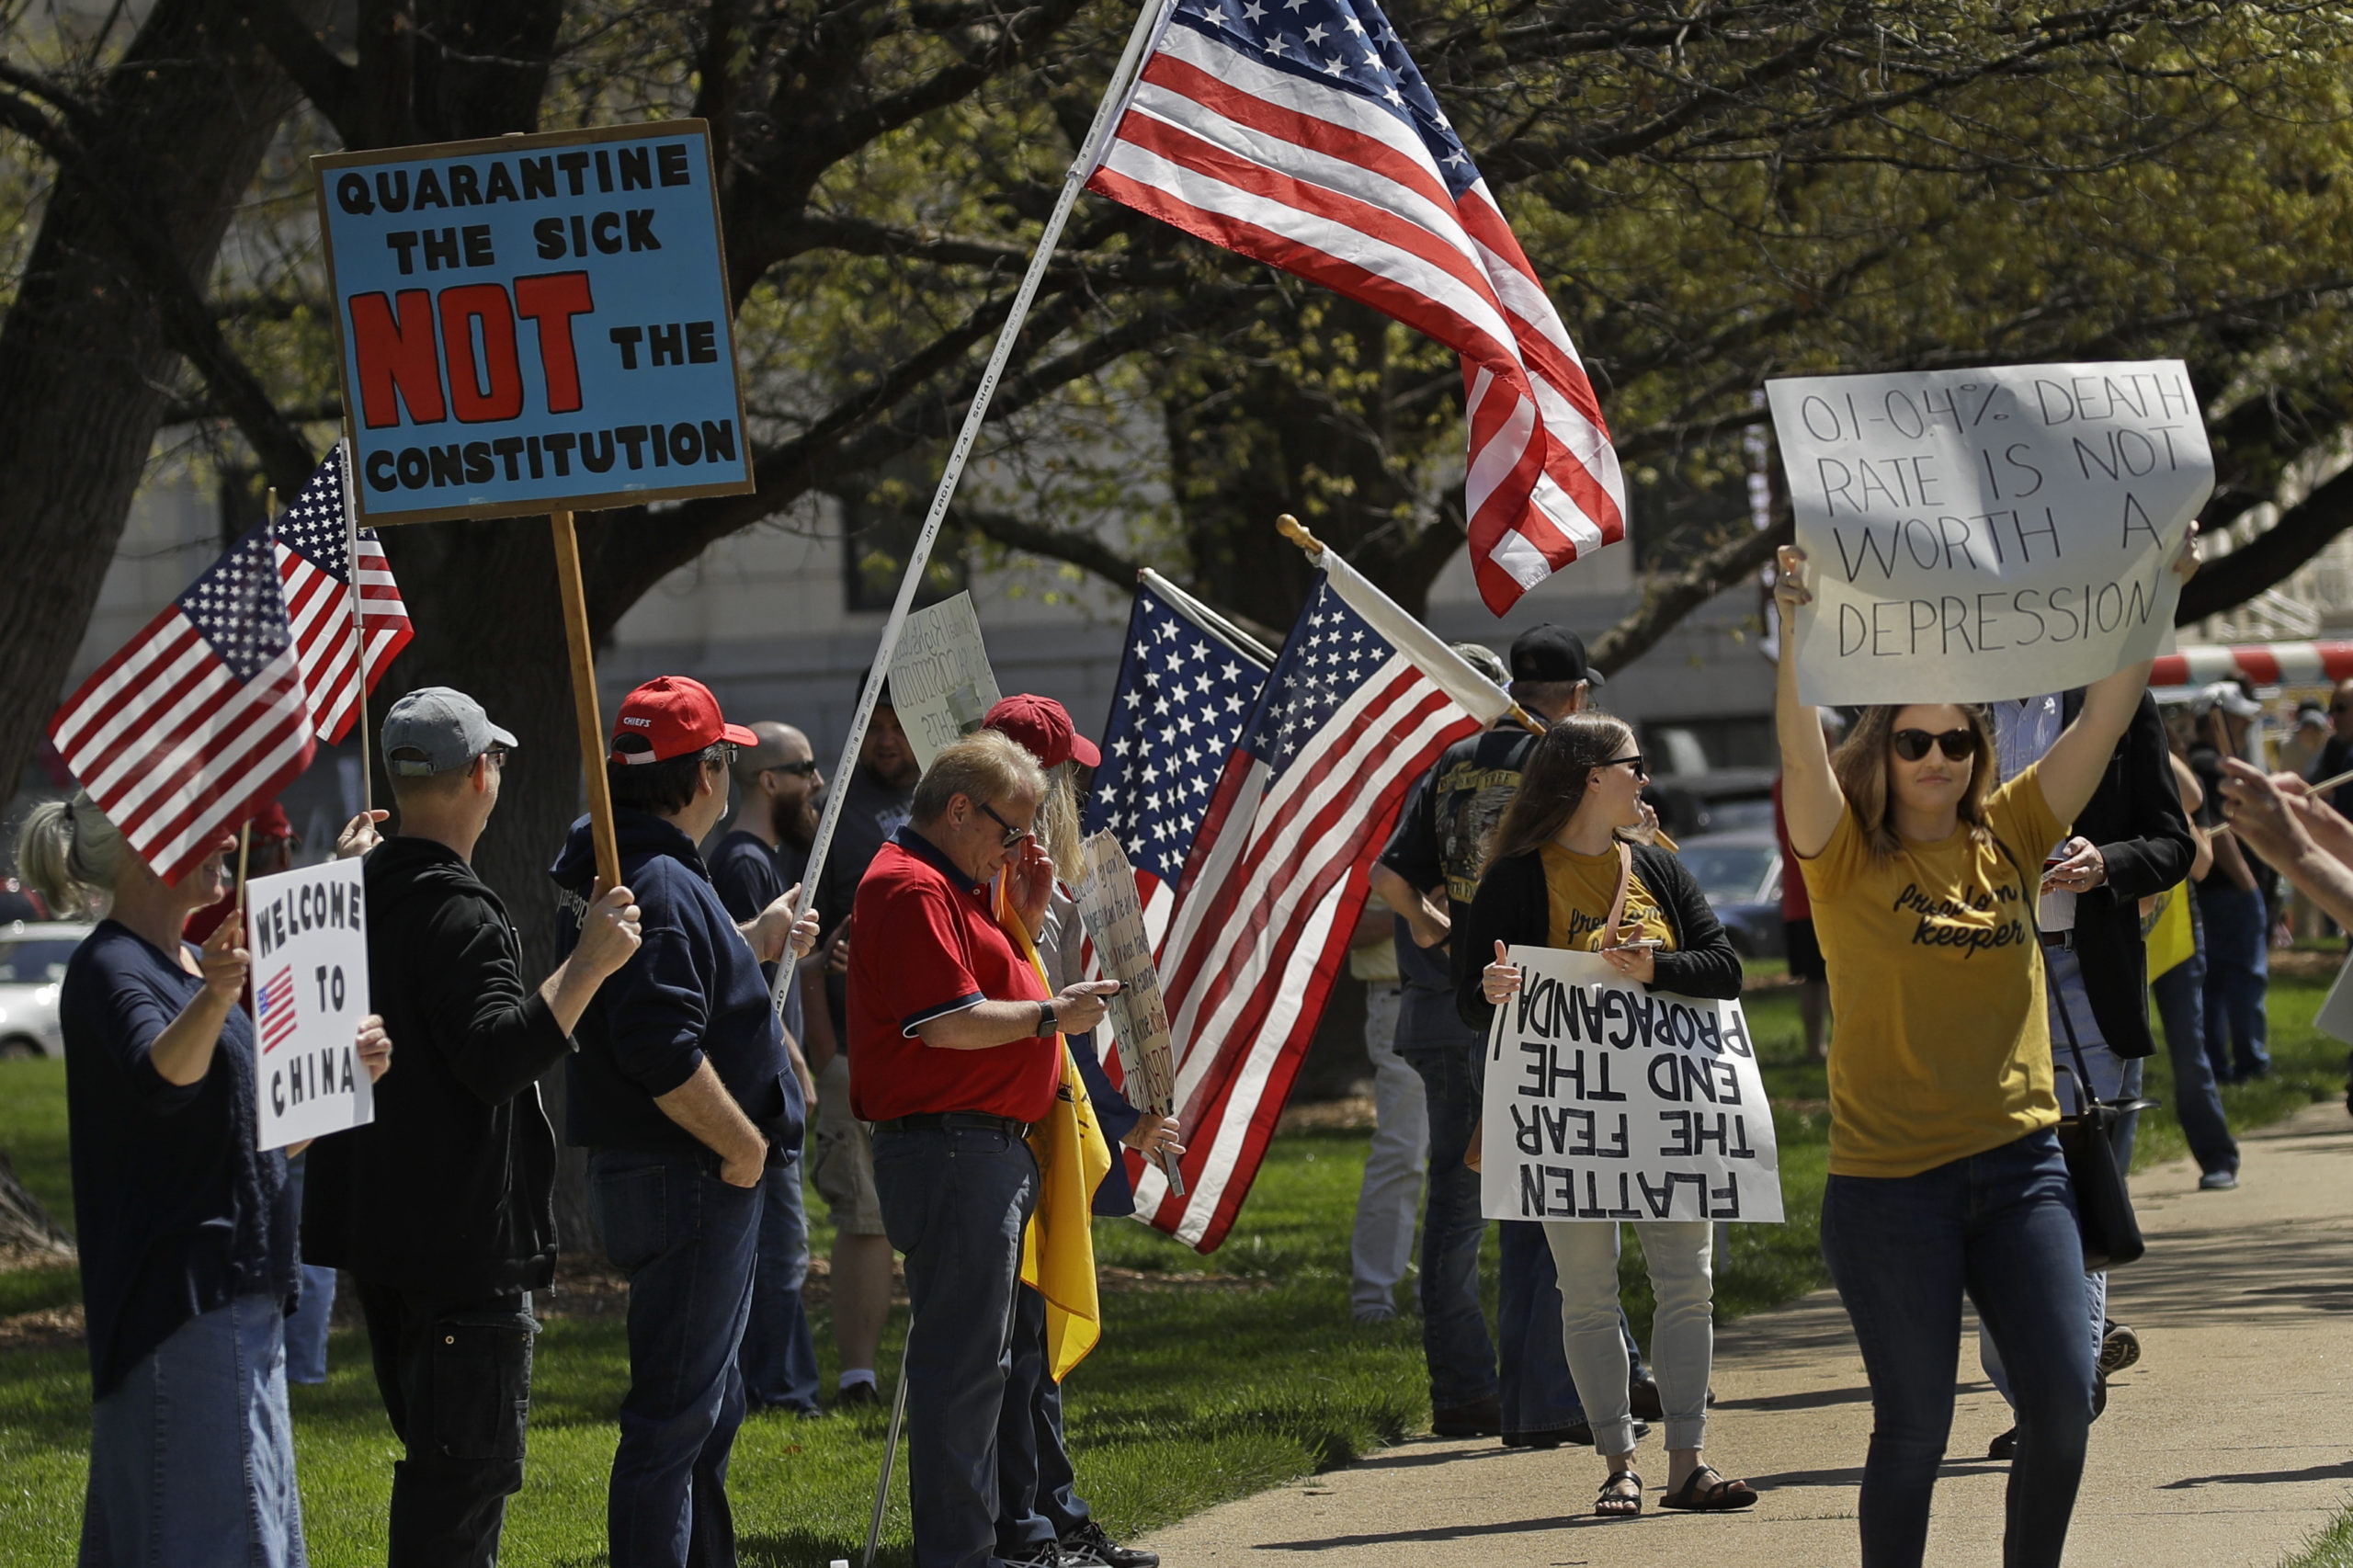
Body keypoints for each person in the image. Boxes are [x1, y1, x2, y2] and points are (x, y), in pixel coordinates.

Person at [1773, 540, 2169, 1568]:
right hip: (1887, 1188)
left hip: (2023, 1168)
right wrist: (1791, 627)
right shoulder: (1841, 852)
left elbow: (2106, 717)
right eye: (1914, 741)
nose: (1939, 756)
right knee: (1913, 1429)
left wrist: (2155, 591)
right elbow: (1798, 756)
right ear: (1882, 747)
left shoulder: (2014, 826)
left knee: (2062, 1403)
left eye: (1956, 737)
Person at [298, 687, 642, 1566]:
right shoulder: (459, 911)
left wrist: (353, 872)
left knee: (443, 1469)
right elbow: (495, 1059)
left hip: (382, 1239)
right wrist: (588, 965)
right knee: (460, 1485)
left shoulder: (349, 893)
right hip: (458, 1250)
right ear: (483, 774)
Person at [21, 792, 391, 1567]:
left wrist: (342, 1079)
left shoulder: (188, 968)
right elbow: (163, 1078)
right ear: (143, 846)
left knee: (241, 1536)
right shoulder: (111, 965)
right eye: (203, 822)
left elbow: (254, 1145)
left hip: (236, 1299)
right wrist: (221, 994)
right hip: (182, 1303)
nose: (229, 835)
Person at [551, 676, 820, 1568]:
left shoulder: (640, 868)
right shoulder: (658, 876)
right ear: (703, 773)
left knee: (706, 1407)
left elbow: (669, 979)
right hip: (690, 1174)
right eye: (721, 758)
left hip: (673, 1175)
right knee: (674, 1416)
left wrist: (756, 938)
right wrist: (742, 1144)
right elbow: (659, 1042)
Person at [1462, 716, 1754, 1518]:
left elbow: (1725, 970)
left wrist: (1657, 965)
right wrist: (1491, 993)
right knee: (1587, 1292)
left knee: (1685, 1286)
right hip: (1569, 1120)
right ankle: (1619, 1463)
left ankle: (1687, 1463)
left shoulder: (1659, 868)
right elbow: (1469, 991)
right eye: (1635, 766)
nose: (1645, 780)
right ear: (1593, 775)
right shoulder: (1517, 878)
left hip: (1668, 1113)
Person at [1368, 629, 1652, 1448]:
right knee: (1558, 1195)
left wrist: (1438, 933)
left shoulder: (1451, 762)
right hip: (1533, 1012)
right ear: (1570, 697)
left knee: (1460, 1205)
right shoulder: (1563, 766)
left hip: (1448, 1007)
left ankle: (1466, 1387)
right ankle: (1562, 1384)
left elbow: (1391, 875)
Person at [845, 730, 1121, 1568]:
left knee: (983, 1366)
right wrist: (1052, 1016)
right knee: (963, 1369)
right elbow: (947, 1024)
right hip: (952, 1149)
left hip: (979, 1148)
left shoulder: (957, 887)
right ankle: (959, 1555)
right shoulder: (910, 886)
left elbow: (975, 994)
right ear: (958, 808)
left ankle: (981, 1546)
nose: (1019, 847)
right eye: (1011, 829)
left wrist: (1026, 929)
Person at [1972, 679, 2199, 1459]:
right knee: (1996, 1192)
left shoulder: (2118, 704)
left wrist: (2108, 863)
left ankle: (2054, 1395)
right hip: (1975, 984)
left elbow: (2174, 843)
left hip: (2082, 981)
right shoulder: (1946, 717)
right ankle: (2057, 1383)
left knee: (2067, 1183)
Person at [984, 694, 1176, 1568]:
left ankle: (1053, 1515)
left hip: (1036, 1132)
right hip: (1020, 1138)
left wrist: (1127, 1123)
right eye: (1070, 779)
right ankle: (1032, 1527)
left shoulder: (1019, 886)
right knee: (1022, 1348)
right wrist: (1126, 1121)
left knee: (1031, 1348)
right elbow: (1055, 1040)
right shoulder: (1029, 897)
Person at [183, 801, 342, 1387]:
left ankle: (287, 1366)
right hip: (258, 1081)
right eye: (283, 848)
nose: (288, 859)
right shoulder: (244, 916)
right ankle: (298, 1369)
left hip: (246, 1082)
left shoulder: (201, 917)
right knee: (296, 1231)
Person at [706, 722, 826, 1418]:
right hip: (758, 1087)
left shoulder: (763, 860)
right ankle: (780, 1391)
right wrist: (795, 1056)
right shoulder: (744, 864)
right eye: (804, 768)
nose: (816, 782)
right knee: (781, 1248)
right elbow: (741, 978)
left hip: (771, 1082)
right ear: (767, 779)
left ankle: (775, 1384)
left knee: (782, 1244)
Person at [812, 676, 920, 1407]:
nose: (886, 738)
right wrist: (827, 1057)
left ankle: (952, 1365)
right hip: (858, 1052)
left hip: (947, 1049)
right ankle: (857, 1375)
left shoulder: (957, 800)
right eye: (872, 723)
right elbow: (803, 945)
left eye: (898, 722)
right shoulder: (826, 818)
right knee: (866, 1213)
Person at [2146, 751, 2242, 1189]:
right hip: (2115, 940)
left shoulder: (2164, 772)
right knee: (2116, 1064)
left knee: (2190, 1055)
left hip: (2177, 938)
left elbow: (2201, 865)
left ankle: (2218, 1156)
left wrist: (2140, 731)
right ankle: (2107, 1177)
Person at [1346, 883, 1427, 1324]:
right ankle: (1374, 1298)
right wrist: (1429, 909)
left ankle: (1441, 1295)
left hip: (1473, 999)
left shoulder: (1474, 820)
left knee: (1461, 1161)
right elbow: (1347, 927)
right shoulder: (1376, 824)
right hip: (1401, 997)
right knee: (1403, 1150)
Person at [2189, 686, 2272, 1081]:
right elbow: (2217, 833)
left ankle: (2220, 1067)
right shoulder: (2212, 765)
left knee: (2216, 982)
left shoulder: (2201, 761)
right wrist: (2248, 884)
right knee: (2243, 977)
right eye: (2238, 716)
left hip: (2212, 892)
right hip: (2229, 891)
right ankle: (2250, 1064)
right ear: (2218, 717)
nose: (2246, 723)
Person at [1774, 710, 1844, 1062]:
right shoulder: (1831, 778)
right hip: (1828, 896)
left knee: (1812, 980)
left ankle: (1816, 1047)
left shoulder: (1783, 779)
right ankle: (1833, 1046)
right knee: (1833, 977)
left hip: (1799, 900)